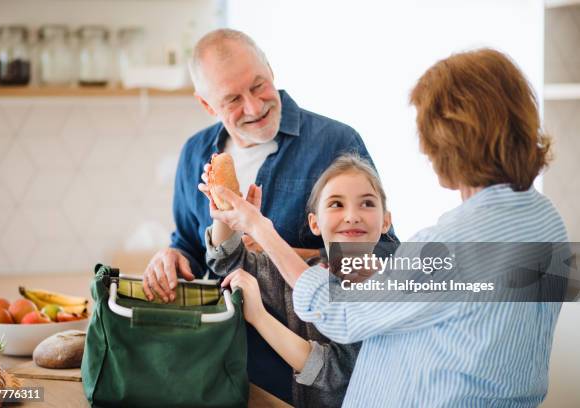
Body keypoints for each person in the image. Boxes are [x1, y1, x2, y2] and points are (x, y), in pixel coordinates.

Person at [209, 48, 569, 406]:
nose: (425, 151)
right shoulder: (545, 218)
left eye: (426, 131)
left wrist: (260, 228)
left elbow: (339, 314)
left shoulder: (454, 246)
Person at [140, 29, 395, 402]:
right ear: (208, 105)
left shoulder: (335, 143)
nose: (254, 107)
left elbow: (385, 255)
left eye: (258, 86)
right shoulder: (195, 153)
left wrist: (275, 248)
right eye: (232, 99)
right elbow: (190, 244)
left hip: (307, 384)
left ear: (271, 71)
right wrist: (171, 256)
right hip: (215, 368)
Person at [203, 154, 392, 407]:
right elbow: (228, 260)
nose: (352, 215)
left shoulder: (386, 288)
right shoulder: (304, 271)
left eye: (367, 203)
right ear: (315, 223)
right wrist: (225, 212)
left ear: (386, 222)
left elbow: (331, 372)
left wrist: (260, 317)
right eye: (336, 204)